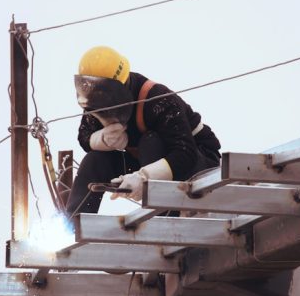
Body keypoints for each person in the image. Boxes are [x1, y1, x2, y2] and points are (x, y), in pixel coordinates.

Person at [64, 45, 221, 220]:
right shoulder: (96, 104)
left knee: (150, 141)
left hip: (199, 164)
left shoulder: (157, 99)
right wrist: (101, 140)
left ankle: (164, 219)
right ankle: (72, 227)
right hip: (149, 164)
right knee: (95, 160)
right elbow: (84, 136)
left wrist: (143, 177)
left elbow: (185, 154)